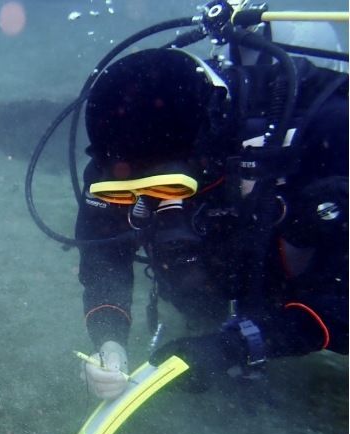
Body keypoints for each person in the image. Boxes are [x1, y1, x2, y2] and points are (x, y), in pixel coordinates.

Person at [75, 41, 348, 399]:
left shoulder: (327, 132)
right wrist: (110, 341)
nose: (156, 206)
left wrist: (241, 343)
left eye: (170, 185)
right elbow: (103, 258)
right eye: (127, 191)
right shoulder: (119, 154)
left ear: (209, 147)